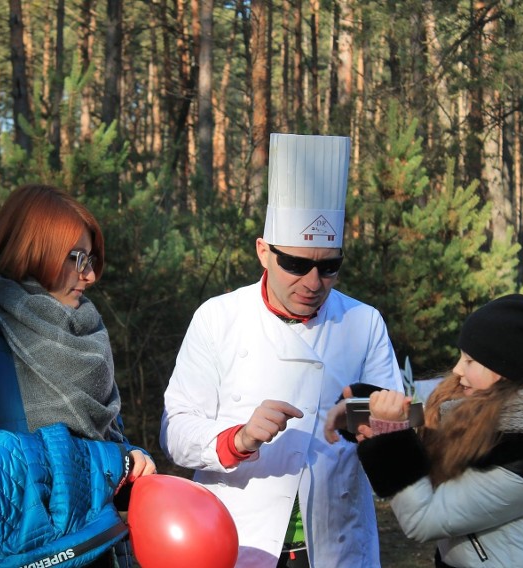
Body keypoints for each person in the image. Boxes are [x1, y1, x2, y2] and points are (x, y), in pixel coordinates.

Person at [160, 133, 404, 567]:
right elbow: (175, 431)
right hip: (239, 538)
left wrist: (372, 421)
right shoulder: (219, 318)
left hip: (337, 540)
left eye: (329, 267)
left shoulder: (363, 322)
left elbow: (399, 425)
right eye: (295, 264)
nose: (313, 283)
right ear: (263, 252)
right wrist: (240, 438)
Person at [0, 184, 156, 567]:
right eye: (78, 258)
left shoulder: (81, 334)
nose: (90, 276)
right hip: (9, 554)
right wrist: (108, 464)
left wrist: (132, 466)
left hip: (90, 548)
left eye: (93, 259)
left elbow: (109, 442)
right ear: (35, 251)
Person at [326, 294, 523, 568]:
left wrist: (390, 434)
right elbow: (420, 425)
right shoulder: (483, 408)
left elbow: (423, 520)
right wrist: (363, 410)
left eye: (470, 361)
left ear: (505, 369)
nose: (456, 369)